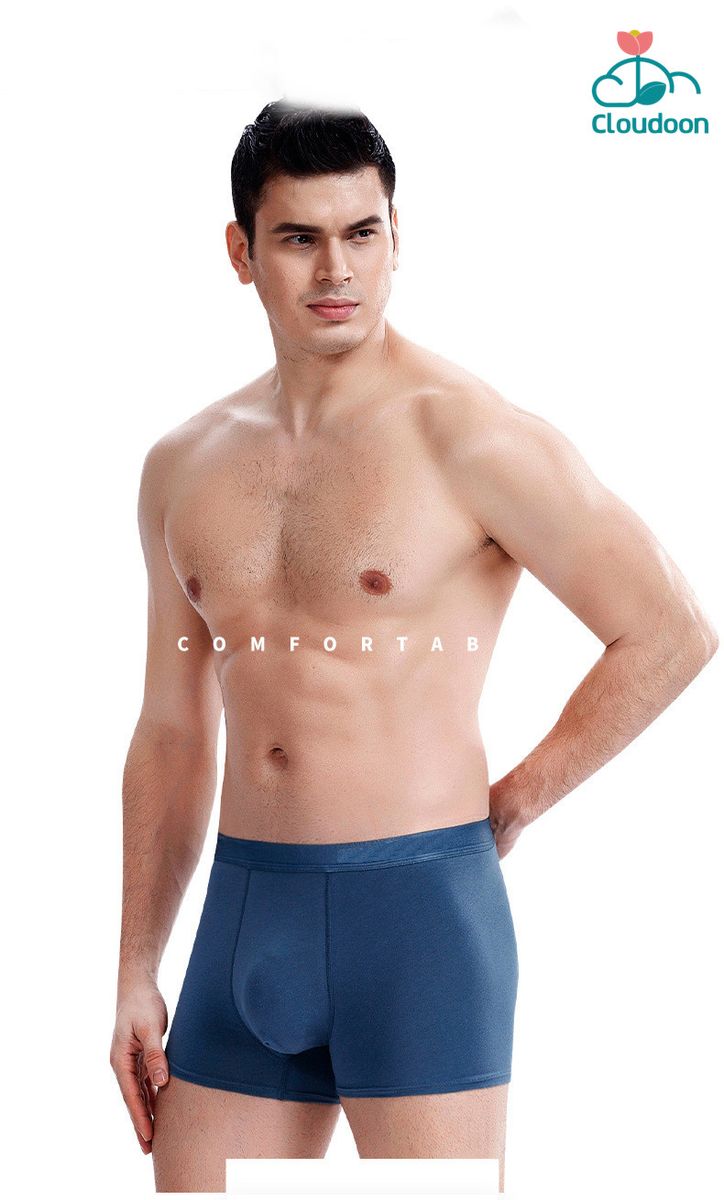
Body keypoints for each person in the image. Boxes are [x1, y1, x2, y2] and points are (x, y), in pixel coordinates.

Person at [109, 98, 718, 1193]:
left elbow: (669, 631)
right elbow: (169, 730)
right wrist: (134, 966)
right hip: (245, 918)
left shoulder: (469, 435)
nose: (335, 269)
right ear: (241, 252)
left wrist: (518, 799)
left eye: (363, 232)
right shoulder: (183, 466)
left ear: (398, 236)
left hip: (419, 918)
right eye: (299, 238)